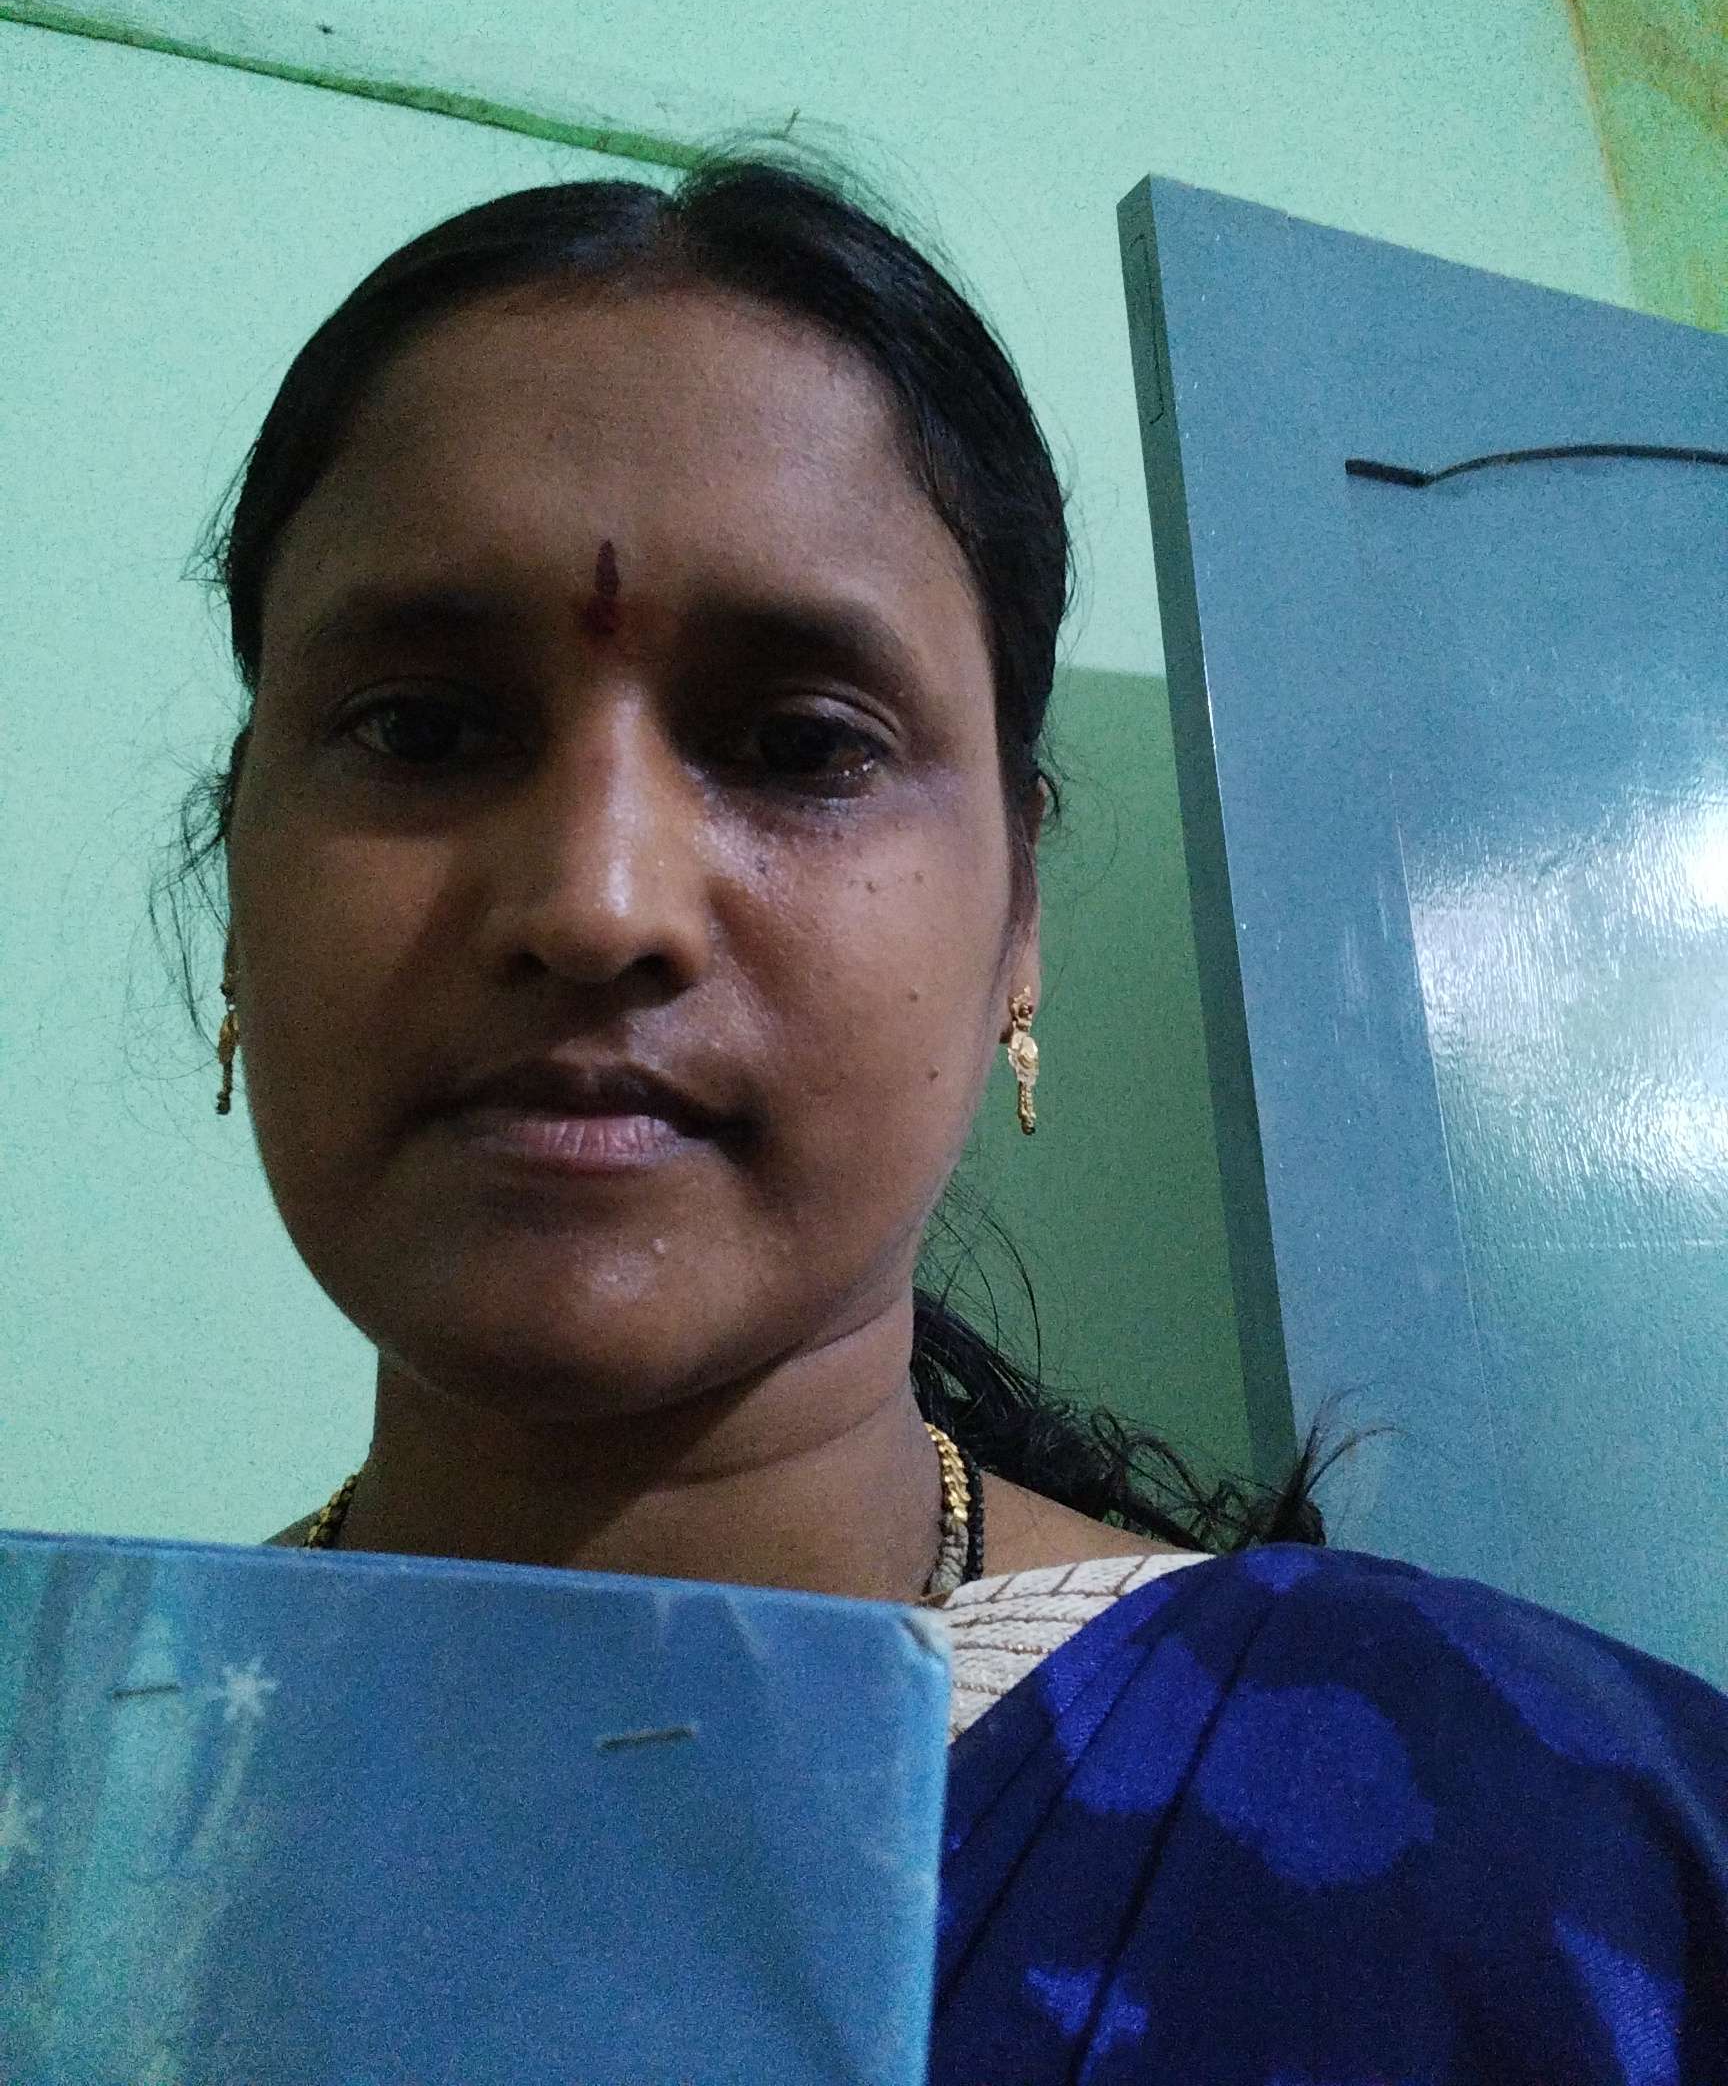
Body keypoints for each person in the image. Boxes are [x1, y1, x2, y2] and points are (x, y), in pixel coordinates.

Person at [163, 153, 1728, 2079]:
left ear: (1020, 924)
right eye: (422, 728)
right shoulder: (71, 1793)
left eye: (803, 745)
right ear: (234, 875)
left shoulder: (1545, 1846)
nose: (597, 900)